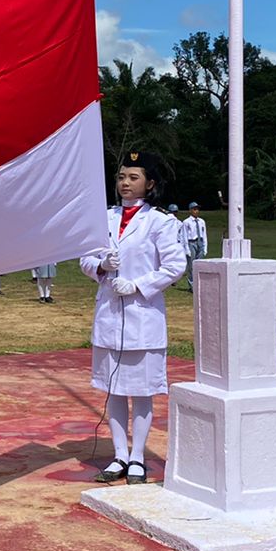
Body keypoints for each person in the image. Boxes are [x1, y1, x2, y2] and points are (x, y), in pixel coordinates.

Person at [79, 150, 185, 486]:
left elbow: (174, 266)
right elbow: (84, 257)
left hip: (143, 315)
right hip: (109, 313)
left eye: (134, 177)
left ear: (149, 183)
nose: (126, 183)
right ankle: (118, 455)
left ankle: (138, 455)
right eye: (122, 176)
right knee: (113, 389)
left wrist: (138, 285)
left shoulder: (161, 222)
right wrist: (100, 266)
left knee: (140, 390)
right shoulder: (103, 218)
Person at [179, 202, 208, 290]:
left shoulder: (201, 221)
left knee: (199, 264)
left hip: (200, 242)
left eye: (198, 209)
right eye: (194, 209)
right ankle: (192, 285)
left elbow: (204, 234)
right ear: (190, 210)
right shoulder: (186, 222)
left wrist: (205, 247)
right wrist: (186, 249)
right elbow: (184, 236)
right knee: (191, 265)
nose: (196, 211)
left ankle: (199, 284)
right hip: (191, 242)